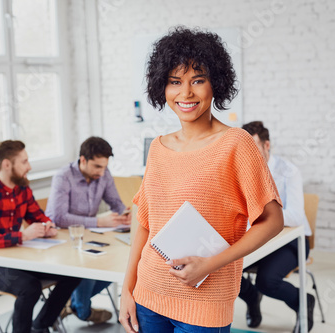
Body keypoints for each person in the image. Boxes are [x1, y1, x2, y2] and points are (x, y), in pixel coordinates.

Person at [119, 26, 284, 333]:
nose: (186, 93)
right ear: (162, 87)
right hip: (148, 293)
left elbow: (272, 221)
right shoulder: (158, 147)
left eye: (198, 80)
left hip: (206, 301)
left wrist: (209, 264)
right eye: (175, 82)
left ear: (215, 83)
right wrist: (126, 289)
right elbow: (144, 221)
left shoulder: (237, 143)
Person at [0, 140, 81, 333]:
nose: (29, 167)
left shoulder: (22, 190)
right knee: (30, 288)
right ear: (6, 164)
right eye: (24, 162)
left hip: (17, 260)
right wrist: (21, 236)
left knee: (74, 272)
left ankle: (40, 325)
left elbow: (37, 216)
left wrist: (47, 226)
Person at [239, 121, 315, 332]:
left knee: (267, 280)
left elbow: (296, 216)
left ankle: (303, 302)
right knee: (224, 270)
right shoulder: (242, 172)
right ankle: (252, 298)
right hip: (259, 238)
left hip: (292, 240)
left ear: (267, 145)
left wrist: (259, 214)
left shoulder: (289, 171)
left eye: (254, 147)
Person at [46, 136, 131, 324]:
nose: (102, 172)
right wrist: (98, 222)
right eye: (97, 167)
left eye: (104, 166)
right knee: (92, 266)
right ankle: (82, 310)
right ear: (83, 160)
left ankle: (72, 302)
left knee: (117, 265)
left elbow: (115, 201)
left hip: (88, 237)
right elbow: (58, 218)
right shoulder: (63, 177)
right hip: (63, 240)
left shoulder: (103, 173)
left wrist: (125, 213)